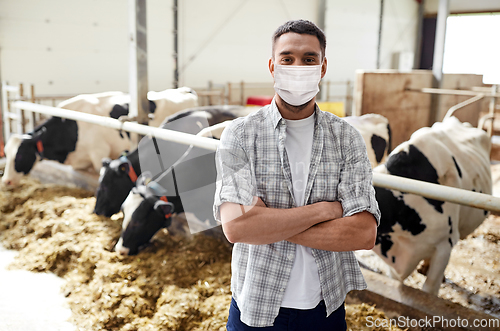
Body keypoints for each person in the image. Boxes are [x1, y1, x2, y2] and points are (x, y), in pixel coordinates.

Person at [214, 19, 380, 330]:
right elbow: (235, 228)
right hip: (255, 304)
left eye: (309, 59)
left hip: (324, 308)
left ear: (323, 66)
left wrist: (266, 223)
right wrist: (324, 211)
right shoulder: (239, 135)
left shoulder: (347, 137)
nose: (297, 67)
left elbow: (363, 233)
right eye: (287, 58)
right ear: (272, 66)